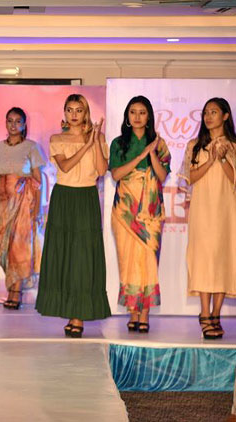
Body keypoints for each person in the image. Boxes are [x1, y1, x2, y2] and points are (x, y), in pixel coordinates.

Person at [35, 93, 110, 338]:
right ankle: (67, 311)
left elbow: (101, 170)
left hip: (86, 198)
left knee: (83, 256)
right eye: (70, 110)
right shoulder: (57, 139)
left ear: (86, 112)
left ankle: (78, 315)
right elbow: (65, 166)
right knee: (64, 254)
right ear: (65, 113)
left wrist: (94, 142)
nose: (74, 114)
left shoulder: (98, 138)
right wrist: (86, 145)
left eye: (79, 110)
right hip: (64, 198)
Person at [109, 96, 170, 334]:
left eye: (142, 112)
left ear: (149, 116)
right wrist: (140, 156)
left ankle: (144, 314)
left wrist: (152, 153)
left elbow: (162, 176)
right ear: (127, 116)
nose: (137, 116)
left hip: (151, 211)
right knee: (128, 261)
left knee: (148, 261)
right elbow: (116, 175)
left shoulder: (159, 143)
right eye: (132, 112)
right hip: (125, 210)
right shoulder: (118, 143)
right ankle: (132, 312)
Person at [177, 97, 236, 340]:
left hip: (226, 209)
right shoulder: (195, 145)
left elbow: (234, 179)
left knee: (222, 258)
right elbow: (189, 178)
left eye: (214, 112)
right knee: (203, 258)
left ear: (225, 116)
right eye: (206, 113)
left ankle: (216, 314)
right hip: (202, 209)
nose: (208, 117)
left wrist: (222, 158)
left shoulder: (233, 145)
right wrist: (211, 159)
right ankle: (204, 313)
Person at [0, 107, 45, 310]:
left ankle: (16, 291)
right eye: (10, 121)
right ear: (5, 123)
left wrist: (37, 208)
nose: (13, 125)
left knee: (19, 247)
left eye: (18, 121)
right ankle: (11, 287)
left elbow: (38, 180)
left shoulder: (31, 147)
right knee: (4, 248)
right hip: (2, 203)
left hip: (23, 203)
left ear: (24, 124)